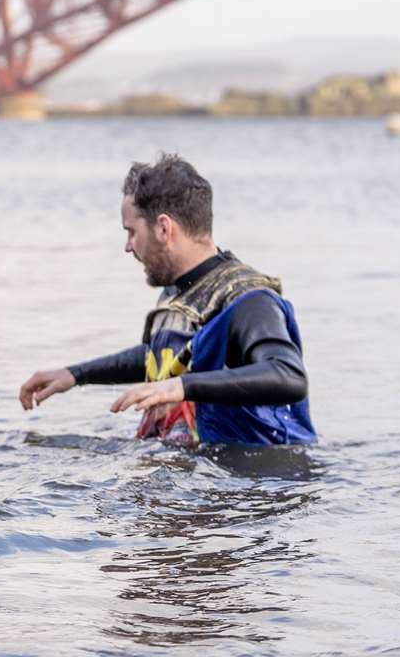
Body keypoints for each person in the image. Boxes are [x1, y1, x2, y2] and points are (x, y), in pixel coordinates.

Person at [18, 153, 315, 445]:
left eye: (132, 232)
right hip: (199, 470)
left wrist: (180, 387)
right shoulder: (177, 293)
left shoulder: (248, 298)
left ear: (163, 228)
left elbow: (288, 375)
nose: (127, 246)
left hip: (256, 483)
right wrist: (75, 375)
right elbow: (166, 355)